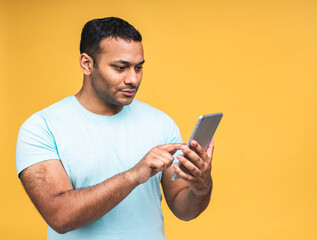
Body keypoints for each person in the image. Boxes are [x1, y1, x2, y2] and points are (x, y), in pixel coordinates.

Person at [16, 17, 214, 240]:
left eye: (138, 67)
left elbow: (183, 209)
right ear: (87, 64)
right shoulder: (41, 127)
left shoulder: (161, 122)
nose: (133, 79)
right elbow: (59, 216)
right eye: (120, 67)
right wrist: (132, 176)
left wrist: (201, 186)